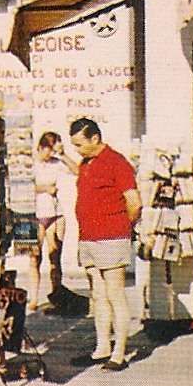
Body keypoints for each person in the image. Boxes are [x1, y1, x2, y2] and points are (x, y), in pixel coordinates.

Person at [67, 117, 141, 371]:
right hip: (88, 237)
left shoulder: (117, 162)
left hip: (111, 237)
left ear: (94, 139)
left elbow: (134, 202)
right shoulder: (86, 164)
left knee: (114, 294)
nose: (77, 150)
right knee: (97, 295)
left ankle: (119, 353)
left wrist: (122, 228)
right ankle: (102, 348)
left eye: (79, 144)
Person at [33, 130, 68, 306]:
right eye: (48, 149)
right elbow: (21, 187)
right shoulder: (31, 165)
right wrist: (44, 188)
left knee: (55, 256)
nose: (50, 154)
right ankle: (33, 297)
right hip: (37, 213)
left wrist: (62, 153)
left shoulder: (56, 163)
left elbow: (77, 171)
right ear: (40, 147)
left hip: (55, 213)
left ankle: (57, 293)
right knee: (35, 257)